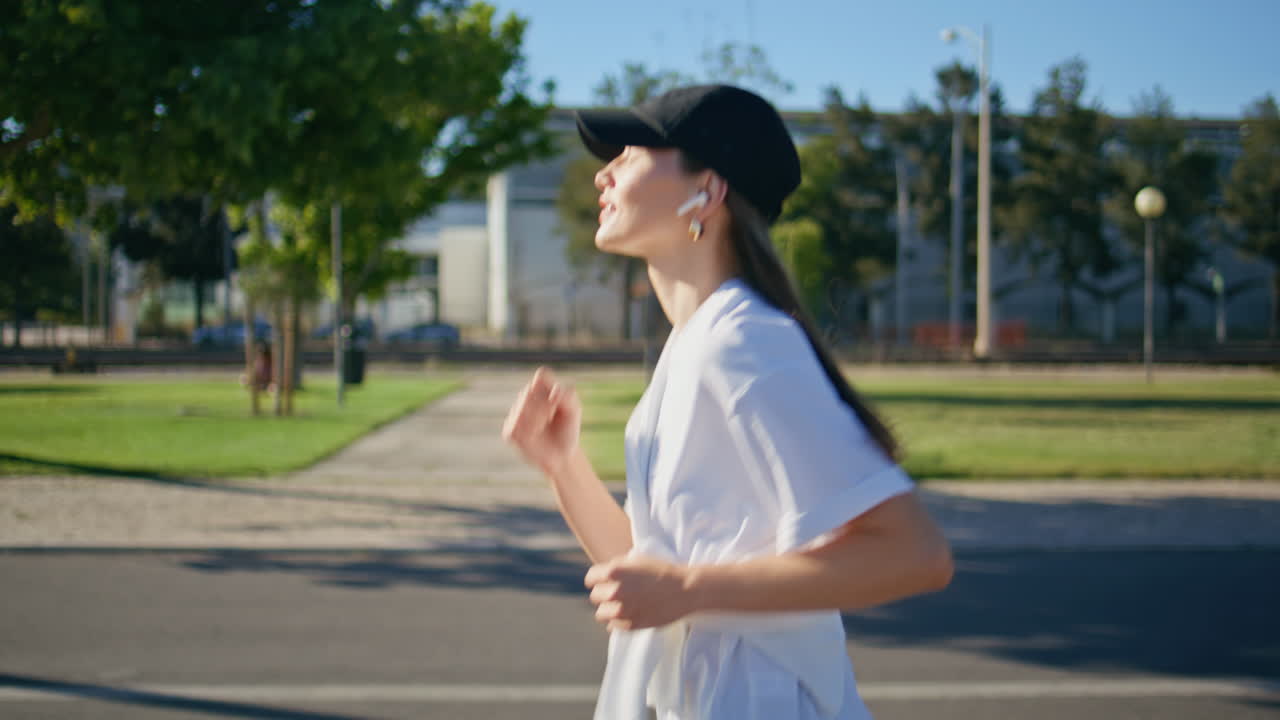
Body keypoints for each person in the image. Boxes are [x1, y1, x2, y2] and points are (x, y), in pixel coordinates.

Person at [502, 84, 953, 720]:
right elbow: (649, 577)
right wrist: (563, 466)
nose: (604, 172)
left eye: (631, 153)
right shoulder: (696, 344)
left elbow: (915, 553)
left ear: (706, 192)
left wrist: (687, 589)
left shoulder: (742, 341)